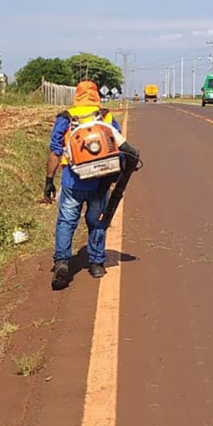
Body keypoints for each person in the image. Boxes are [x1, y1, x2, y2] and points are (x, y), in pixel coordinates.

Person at [43, 80, 140, 291]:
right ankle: (96, 263)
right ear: (96, 96)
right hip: (100, 181)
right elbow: (119, 147)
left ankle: (62, 262)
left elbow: (55, 151)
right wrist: (117, 176)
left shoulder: (66, 118)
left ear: (76, 95)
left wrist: (49, 180)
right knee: (97, 221)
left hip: (72, 179)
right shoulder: (105, 116)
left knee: (66, 222)